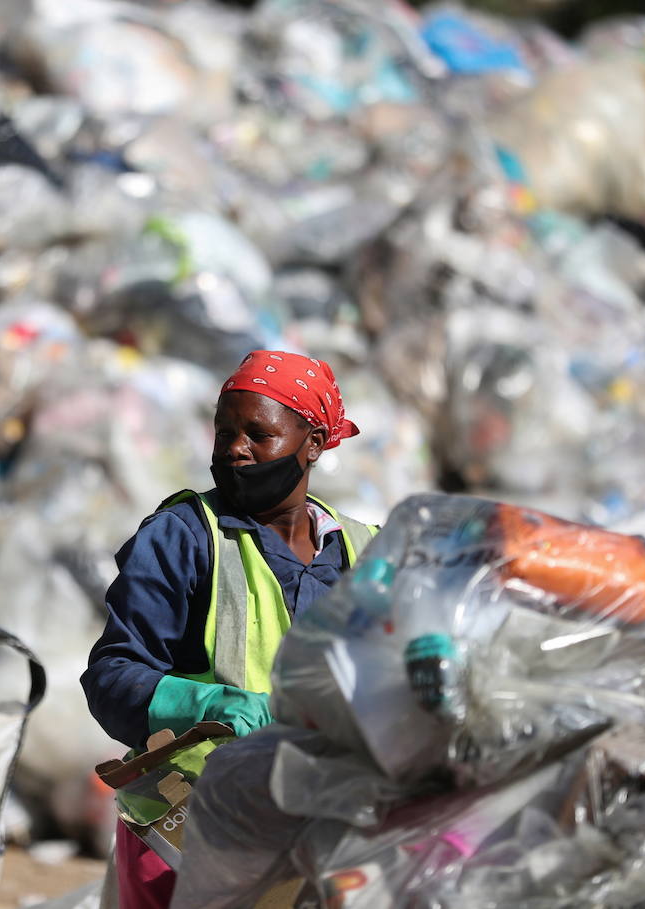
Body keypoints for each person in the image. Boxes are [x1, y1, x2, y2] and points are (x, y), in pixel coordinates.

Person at [82, 350, 377, 908]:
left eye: (257, 435)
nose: (235, 450)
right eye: (224, 433)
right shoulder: (184, 538)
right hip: (188, 830)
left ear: (312, 444)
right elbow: (111, 677)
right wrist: (204, 705)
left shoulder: (363, 553)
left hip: (318, 835)